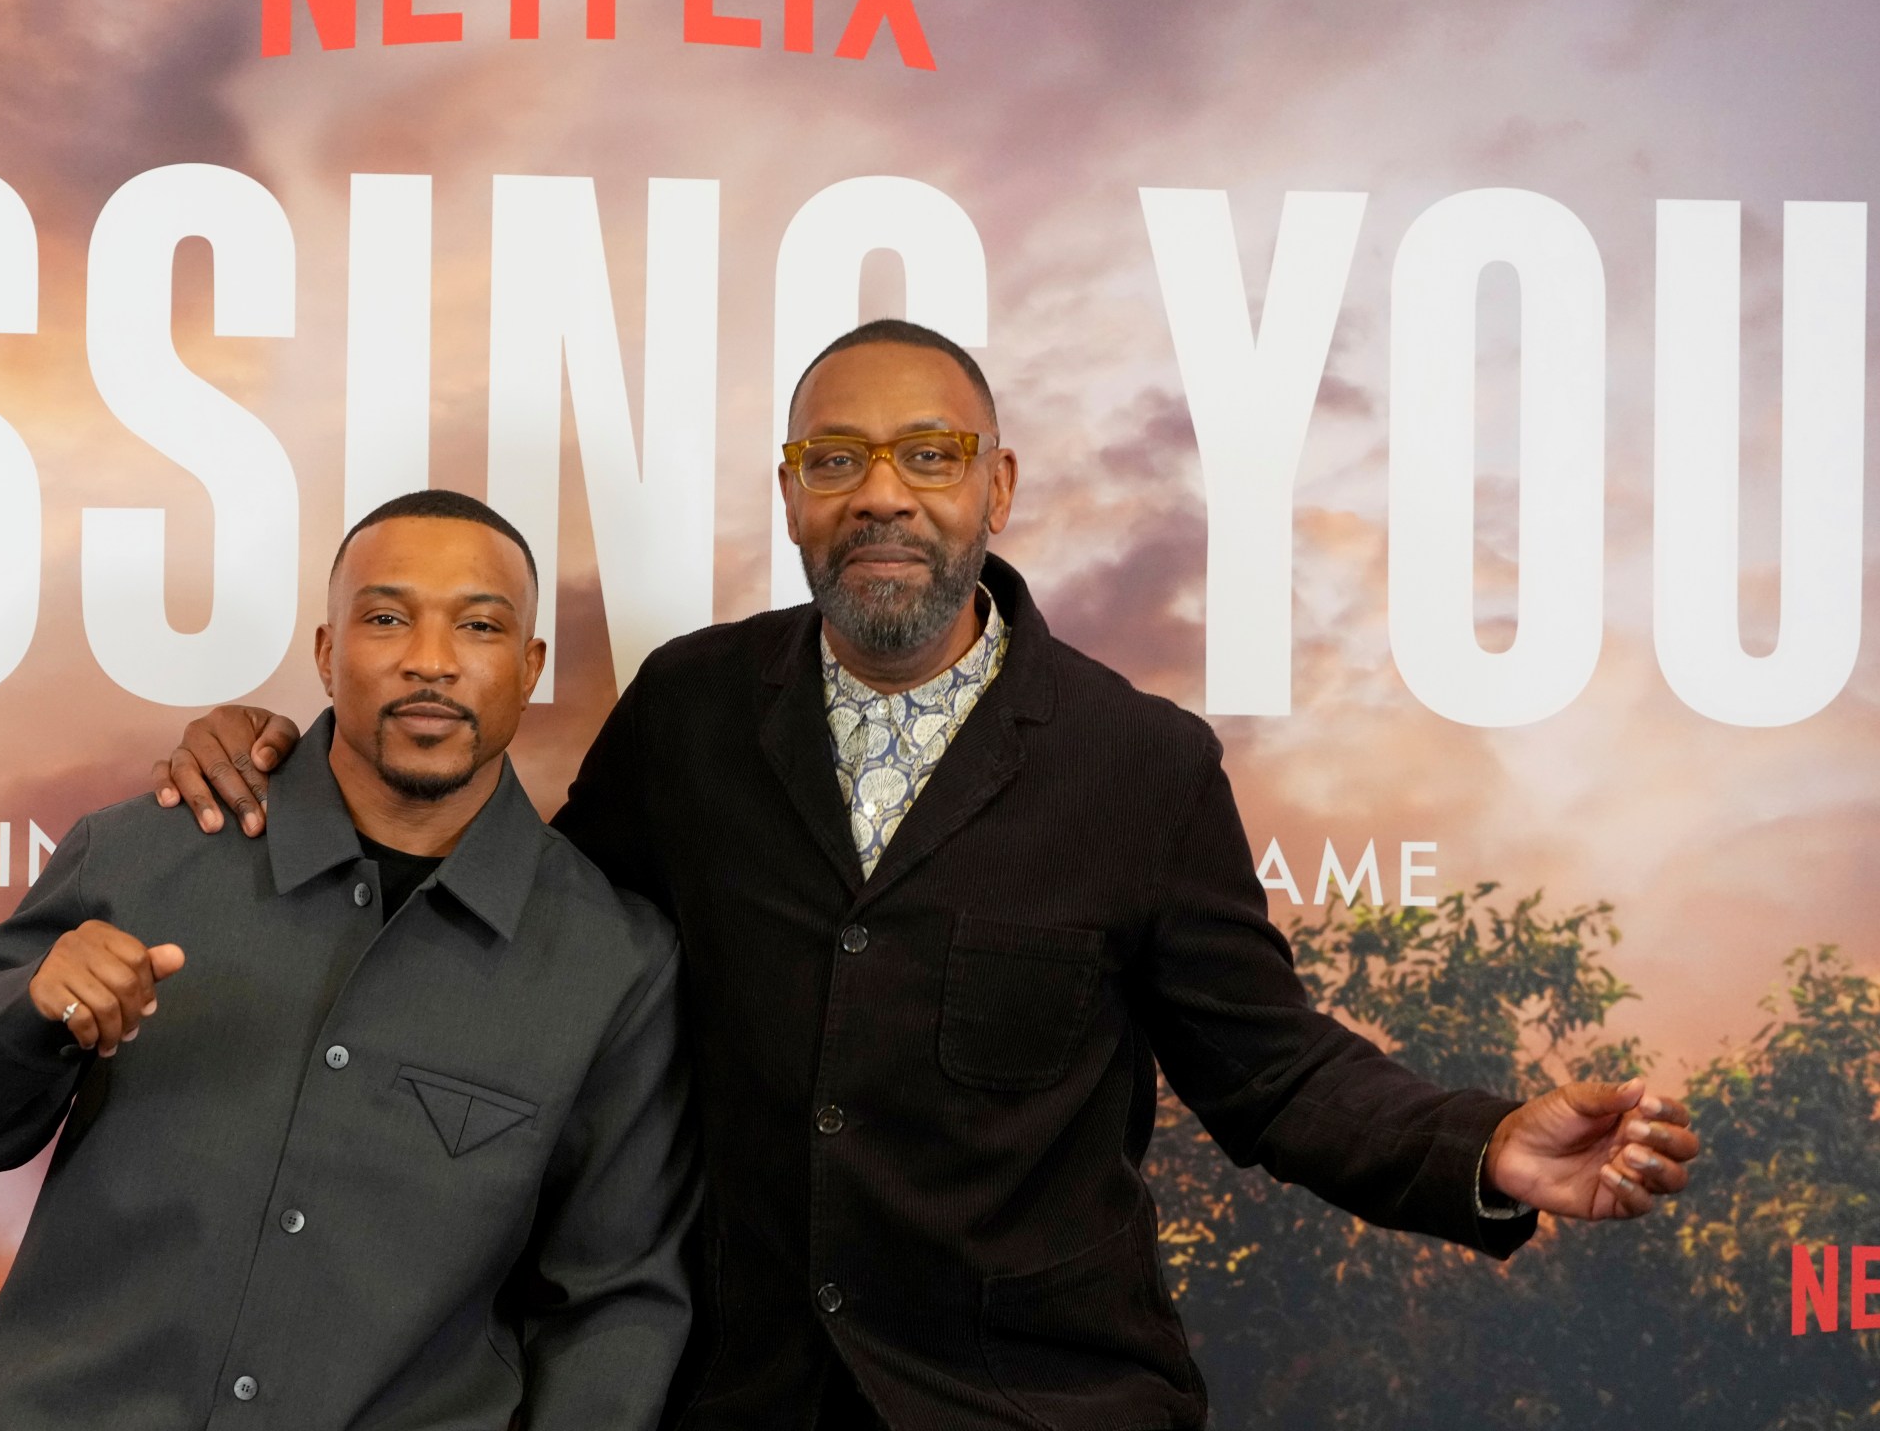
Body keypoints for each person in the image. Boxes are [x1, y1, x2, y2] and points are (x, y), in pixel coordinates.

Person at [157, 321, 1703, 1430]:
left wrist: (1488, 1148)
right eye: (837, 457)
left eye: (927, 453)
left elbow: (1274, 1072)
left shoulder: (1138, 763)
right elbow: (520, 947)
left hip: (1037, 1401)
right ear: (791, 495)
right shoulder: (693, 713)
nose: (881, 491)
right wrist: (305, 760)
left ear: (999, 487)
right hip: (736, 1395)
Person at [0, 491, 696, 1430]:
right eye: (386, 618)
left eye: (478, 626)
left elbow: (616, 1304)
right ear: (325, 652)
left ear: (529, 668)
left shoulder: (615, 966)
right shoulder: (144, 852)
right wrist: (28, 1012)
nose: (429, 661)